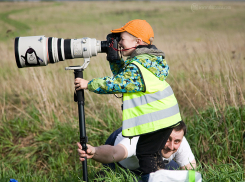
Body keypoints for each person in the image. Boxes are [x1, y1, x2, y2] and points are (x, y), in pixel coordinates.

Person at [74, 19, 182, 174]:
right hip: (165, 119)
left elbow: (119, 83)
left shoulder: (138, 65)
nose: (119, 43)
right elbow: (125, 77)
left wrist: (88, 84)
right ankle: (159, 176)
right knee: (151, 155)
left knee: (146, 154)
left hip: (159, 121)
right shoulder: (146, 61)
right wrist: (114, 59)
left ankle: (152, 179)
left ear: (137, 41)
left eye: (122, 39)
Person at [77, 121, 196, 182]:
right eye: (167, 139)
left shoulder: (179, 139)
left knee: (174, 173)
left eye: (176, 141)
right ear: (160, 135)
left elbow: (191, 170)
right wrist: (94, 151)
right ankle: (103, 176)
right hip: (120, 161)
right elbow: (114, 152)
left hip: (152, 161)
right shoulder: (138, 139)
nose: (171, 146)